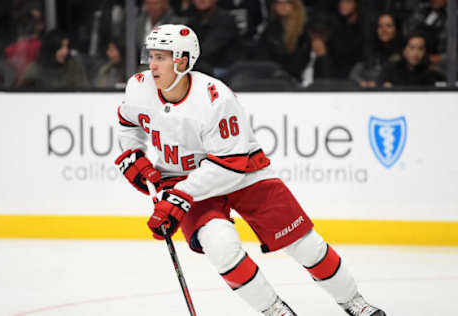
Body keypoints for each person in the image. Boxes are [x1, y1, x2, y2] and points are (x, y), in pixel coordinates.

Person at [114, 24, 387, 316]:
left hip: (242, 173)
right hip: (183, 180)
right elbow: (127, 121)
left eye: (161, 57)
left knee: (304, 244)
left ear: (181, 60)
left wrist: (179, 196)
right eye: (151, 56)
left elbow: (229, 166)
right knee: (220, 246)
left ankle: (354, 302)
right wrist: (133, 156)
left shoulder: (214, 97)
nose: (151, 65)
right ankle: (274, 310)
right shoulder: (139, 87)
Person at [256, 0, 311, 83]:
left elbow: (302, 59)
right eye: (279, 3)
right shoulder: (269, 29)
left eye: (287, 2)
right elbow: (262, 55)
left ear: (295, 5)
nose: (283, 6)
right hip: (270, 77)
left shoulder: (303, 31)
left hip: (295, 79)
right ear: (274, 6)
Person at [17, 29, 90, 89]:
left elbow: (83, 91)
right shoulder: (35, 67)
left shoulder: (73, 66)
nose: (65, 51)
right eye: (60, 47)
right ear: (51, 49)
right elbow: (20, 91)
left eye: (66, 47)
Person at [350, 13, 402, 88]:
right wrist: (363, 83)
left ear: (396, 29)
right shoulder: (369, 51)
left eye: (388, 26)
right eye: (380, 26)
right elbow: (353, 74)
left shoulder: (404, 52)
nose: (384, 30)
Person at [378, 32, 444, 87]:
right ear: (404, 50)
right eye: (412, 48)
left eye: (420, 49)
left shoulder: (432, 75)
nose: (416, 53)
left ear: (425, 52)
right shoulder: (390, 71)